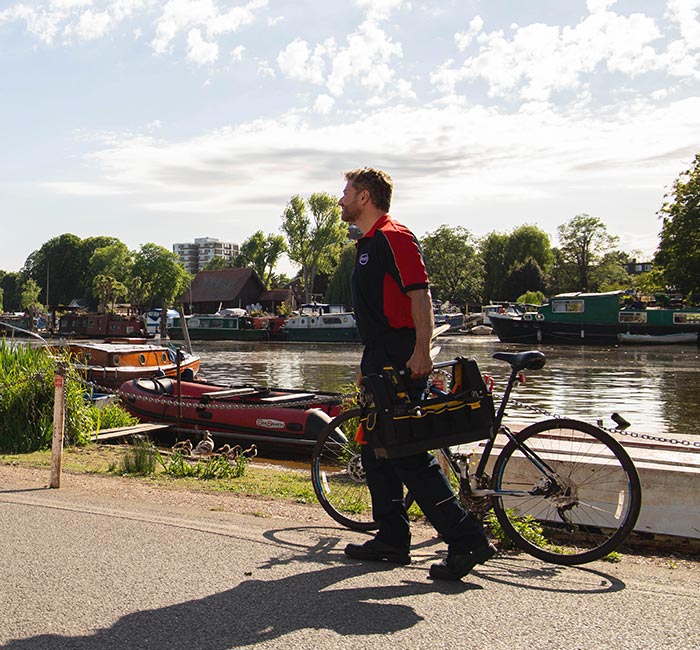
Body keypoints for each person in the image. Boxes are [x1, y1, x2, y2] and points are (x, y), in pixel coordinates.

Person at [338, 167, 496, 581]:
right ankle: (392, 537)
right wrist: (365, 363)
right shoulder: (368, 243)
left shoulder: (395, 236)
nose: (341, 200)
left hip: (403, 357)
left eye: (346, 192)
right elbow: (376, 314)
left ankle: (467, 541)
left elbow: (419, 293)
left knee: (407, 453)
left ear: (365, 198)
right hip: (380, 357)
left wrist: (422, 349)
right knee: (375, 450)